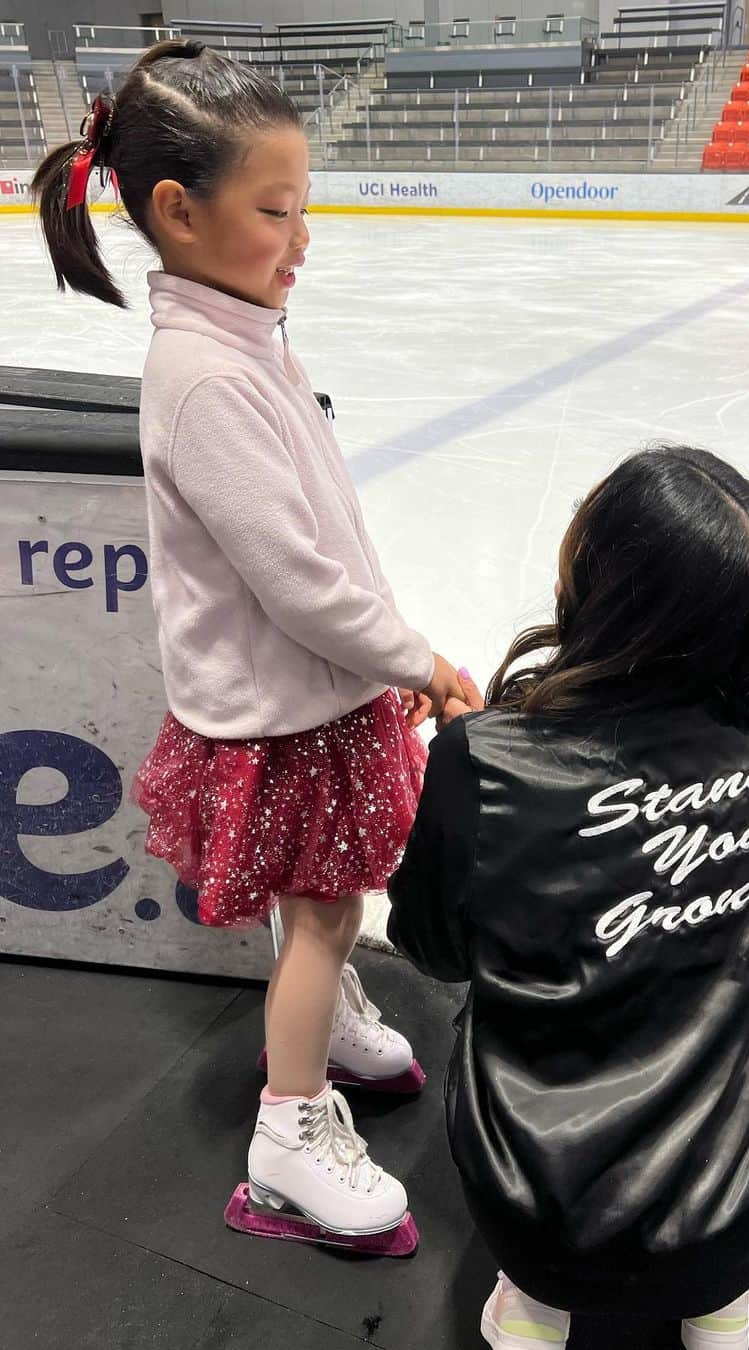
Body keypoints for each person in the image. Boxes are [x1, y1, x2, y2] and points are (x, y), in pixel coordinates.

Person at [32, 39, 467, 1249]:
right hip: (286, 701)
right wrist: (413, 656)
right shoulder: (209, 378)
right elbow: (298, 585)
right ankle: (287, 1135)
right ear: (180, 211)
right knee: (326, 912)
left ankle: (317, 1023)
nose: (302, 238)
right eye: (277, 210)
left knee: (317, 905)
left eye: (303, 209)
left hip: (303, 692)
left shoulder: (243, 339)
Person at [388, 446, 749, 1348]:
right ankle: (715, 1303)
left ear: (601, 592)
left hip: (539, 1211)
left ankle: (534, 1307)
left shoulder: (486, 759)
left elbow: (435, 950)